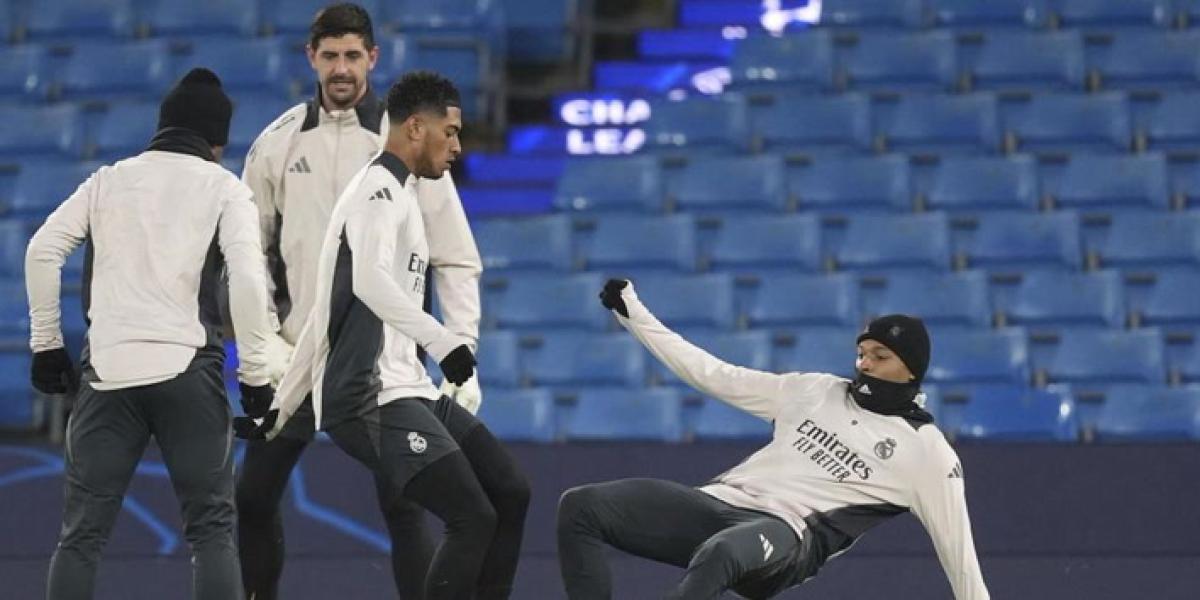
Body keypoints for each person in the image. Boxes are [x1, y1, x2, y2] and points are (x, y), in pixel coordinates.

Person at [236, 71, 529, 600]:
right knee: (471, 516)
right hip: (367, 399)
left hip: (407, 384)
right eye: (452, 132)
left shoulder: (405, 192)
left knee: (511, 492)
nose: (459, 147)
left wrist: (279, 409)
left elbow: (324, 316)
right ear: (416, 128)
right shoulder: (376, 191)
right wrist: (445, 342)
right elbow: (368, 283)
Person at [557, 279, 991, 600]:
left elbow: (960, 556)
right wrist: (635, 314)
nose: (865, 364)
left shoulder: (928, 451)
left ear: (912, 370)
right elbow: (715, 375)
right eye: (862, 353)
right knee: (582, 506)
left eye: (881, 357)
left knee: (722, 551)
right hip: (719, 505)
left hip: (789, 535)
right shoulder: (816, 390)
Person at [28, 69, 287, 600]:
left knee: (80, 539)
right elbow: (246, 277)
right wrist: (256, 377)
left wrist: (46, 345)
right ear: (219, 140)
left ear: (162, 125)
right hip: (187, 372)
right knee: (211, 533)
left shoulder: (108, 179)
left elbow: (41, 251)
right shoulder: (224, 187)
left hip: (108, 374)